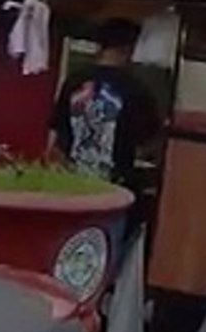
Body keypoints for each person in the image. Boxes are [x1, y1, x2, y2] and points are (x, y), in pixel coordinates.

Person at [47, 17, 161, 199]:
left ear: (100, 46)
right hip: (114, 189)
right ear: (130, 48)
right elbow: (150, 140)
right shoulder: (137, 89)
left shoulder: (74, 80)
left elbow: (56, 136)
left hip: (70, 184)